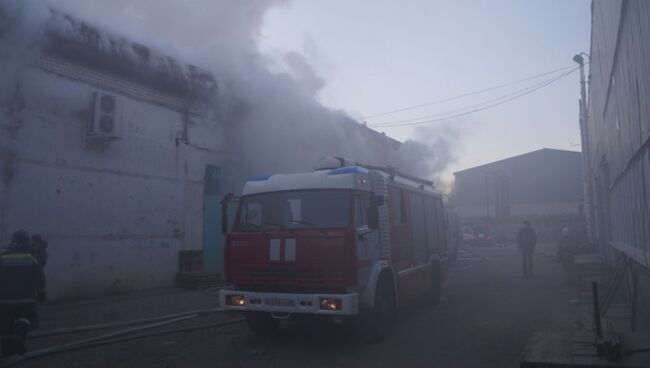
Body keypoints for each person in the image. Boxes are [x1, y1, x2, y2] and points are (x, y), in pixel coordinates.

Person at [0, 230, 44, 358]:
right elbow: (40, 278)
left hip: (4, 300)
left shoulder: (2, 258)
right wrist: (41, 292)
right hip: (26, 299)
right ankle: (18, 336)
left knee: (4, 325)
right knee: (27, 317)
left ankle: (7, 354)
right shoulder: (31, 259)